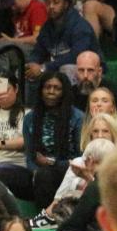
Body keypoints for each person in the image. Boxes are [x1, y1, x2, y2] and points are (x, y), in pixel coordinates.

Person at [23, 71, 84, 207]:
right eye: (47, 87)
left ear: (64, 92)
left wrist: (51, 163)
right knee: (1, 173)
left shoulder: (78, 117)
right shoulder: (30, 118)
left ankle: (47, 217)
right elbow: (29, 155)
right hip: (37, 172)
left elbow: (80, 157)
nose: (51, 92)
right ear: (41, 90)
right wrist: (35, 171)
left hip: (68, 171)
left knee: (45, 175)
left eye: (57, 88)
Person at [25, 0, 101, 82]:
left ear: (66, 4)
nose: (51, 6)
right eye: (47, 3)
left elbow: (76, 57)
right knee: (23, 72)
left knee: (67, 70)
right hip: (56, 68)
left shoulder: (80, 26)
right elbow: (38, 51)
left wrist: (43, 68)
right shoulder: (47, 27)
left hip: (87, 71)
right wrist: (32, 64)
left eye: (56, 2)